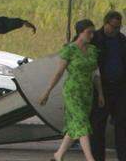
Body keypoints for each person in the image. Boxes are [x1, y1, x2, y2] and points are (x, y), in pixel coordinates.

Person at [39, 19, 103, 161]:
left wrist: (100, 94)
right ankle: (90, 158)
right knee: (82, 123)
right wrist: (47, 92)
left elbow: (96, 74)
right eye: (88, 33)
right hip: (73, 92)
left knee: (76, 125)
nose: (91, 36)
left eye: (93, 33)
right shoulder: (69, 49)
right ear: (80, 33)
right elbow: (59, 73)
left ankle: (58, 155)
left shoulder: (93, 51)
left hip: (87, 92)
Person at [90, 11, 126, 161]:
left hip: (120, 88)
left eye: (119, 27)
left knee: (122, 124)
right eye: (114, 27)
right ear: (105, 24)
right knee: (98, 125)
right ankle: (98, 158)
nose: (116, 30)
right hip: (101, 88)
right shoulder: (96, 39)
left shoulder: (122, 40)